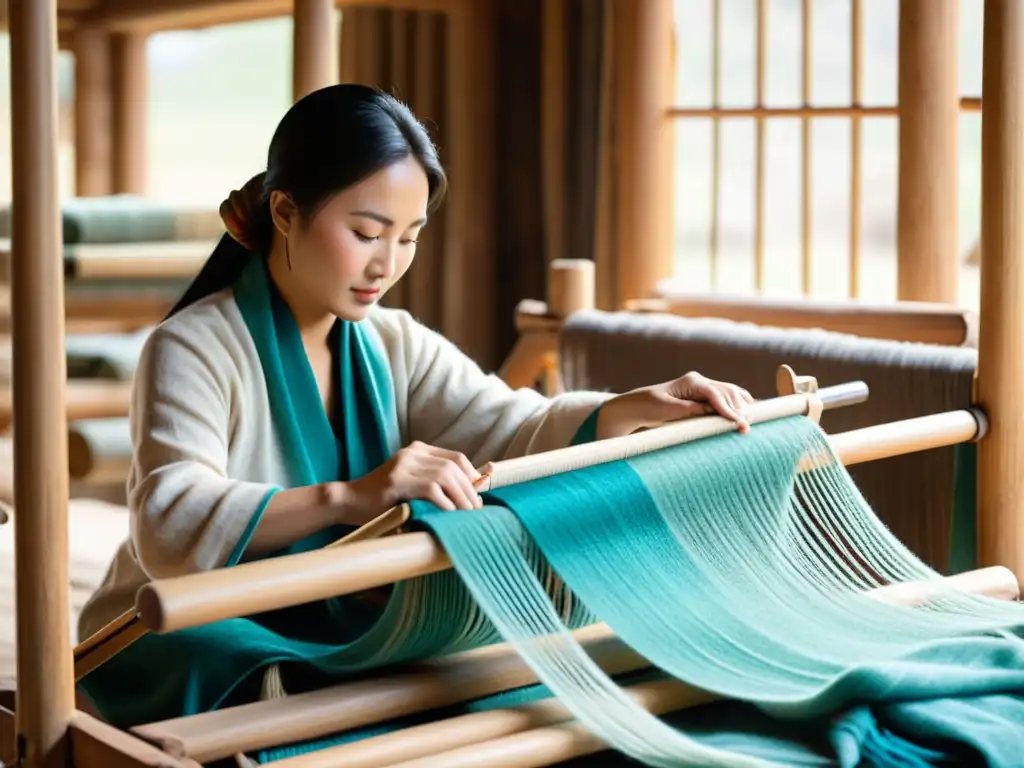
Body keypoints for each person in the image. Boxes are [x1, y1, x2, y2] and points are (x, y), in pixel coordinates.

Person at [76, 83, 754, 731]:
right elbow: (170, 521)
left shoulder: (393, 342)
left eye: (409, 236)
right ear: (285, 212)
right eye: (368, 232)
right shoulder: (192, 345)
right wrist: (352, 496)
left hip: (339, 611)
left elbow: (507, 425)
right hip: (172, 618)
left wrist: (627, 409)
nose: (388, 264)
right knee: (230, 659)